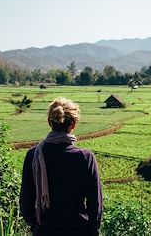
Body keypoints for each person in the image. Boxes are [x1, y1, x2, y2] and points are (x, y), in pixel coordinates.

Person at [20, 97, 103, 236]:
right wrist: (92, 231)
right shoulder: (85, 157)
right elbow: (95, 203)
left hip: (44, 231)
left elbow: (26, 201)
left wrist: (35, 226)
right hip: (78, 231)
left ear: (49, 122)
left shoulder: (34, 155)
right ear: (74, 124)